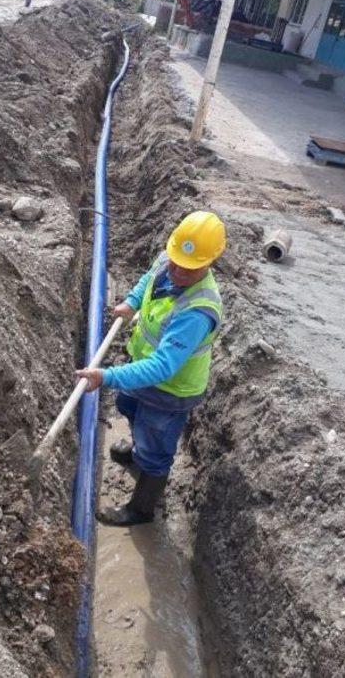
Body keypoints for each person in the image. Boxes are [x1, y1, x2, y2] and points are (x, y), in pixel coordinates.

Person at [76, 211, 226, 527]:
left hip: (170, 391)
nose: (177, 272)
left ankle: (141, 509)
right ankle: (136, 449)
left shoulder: (198, 311)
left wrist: (106, 377)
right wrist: (131, 303)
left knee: (156, 448)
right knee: (127, 405)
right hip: (142, 368)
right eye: (174, 263)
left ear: (209, 262)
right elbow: (150, 279)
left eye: (188, 269)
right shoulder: (171, 259)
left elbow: (162, 368)